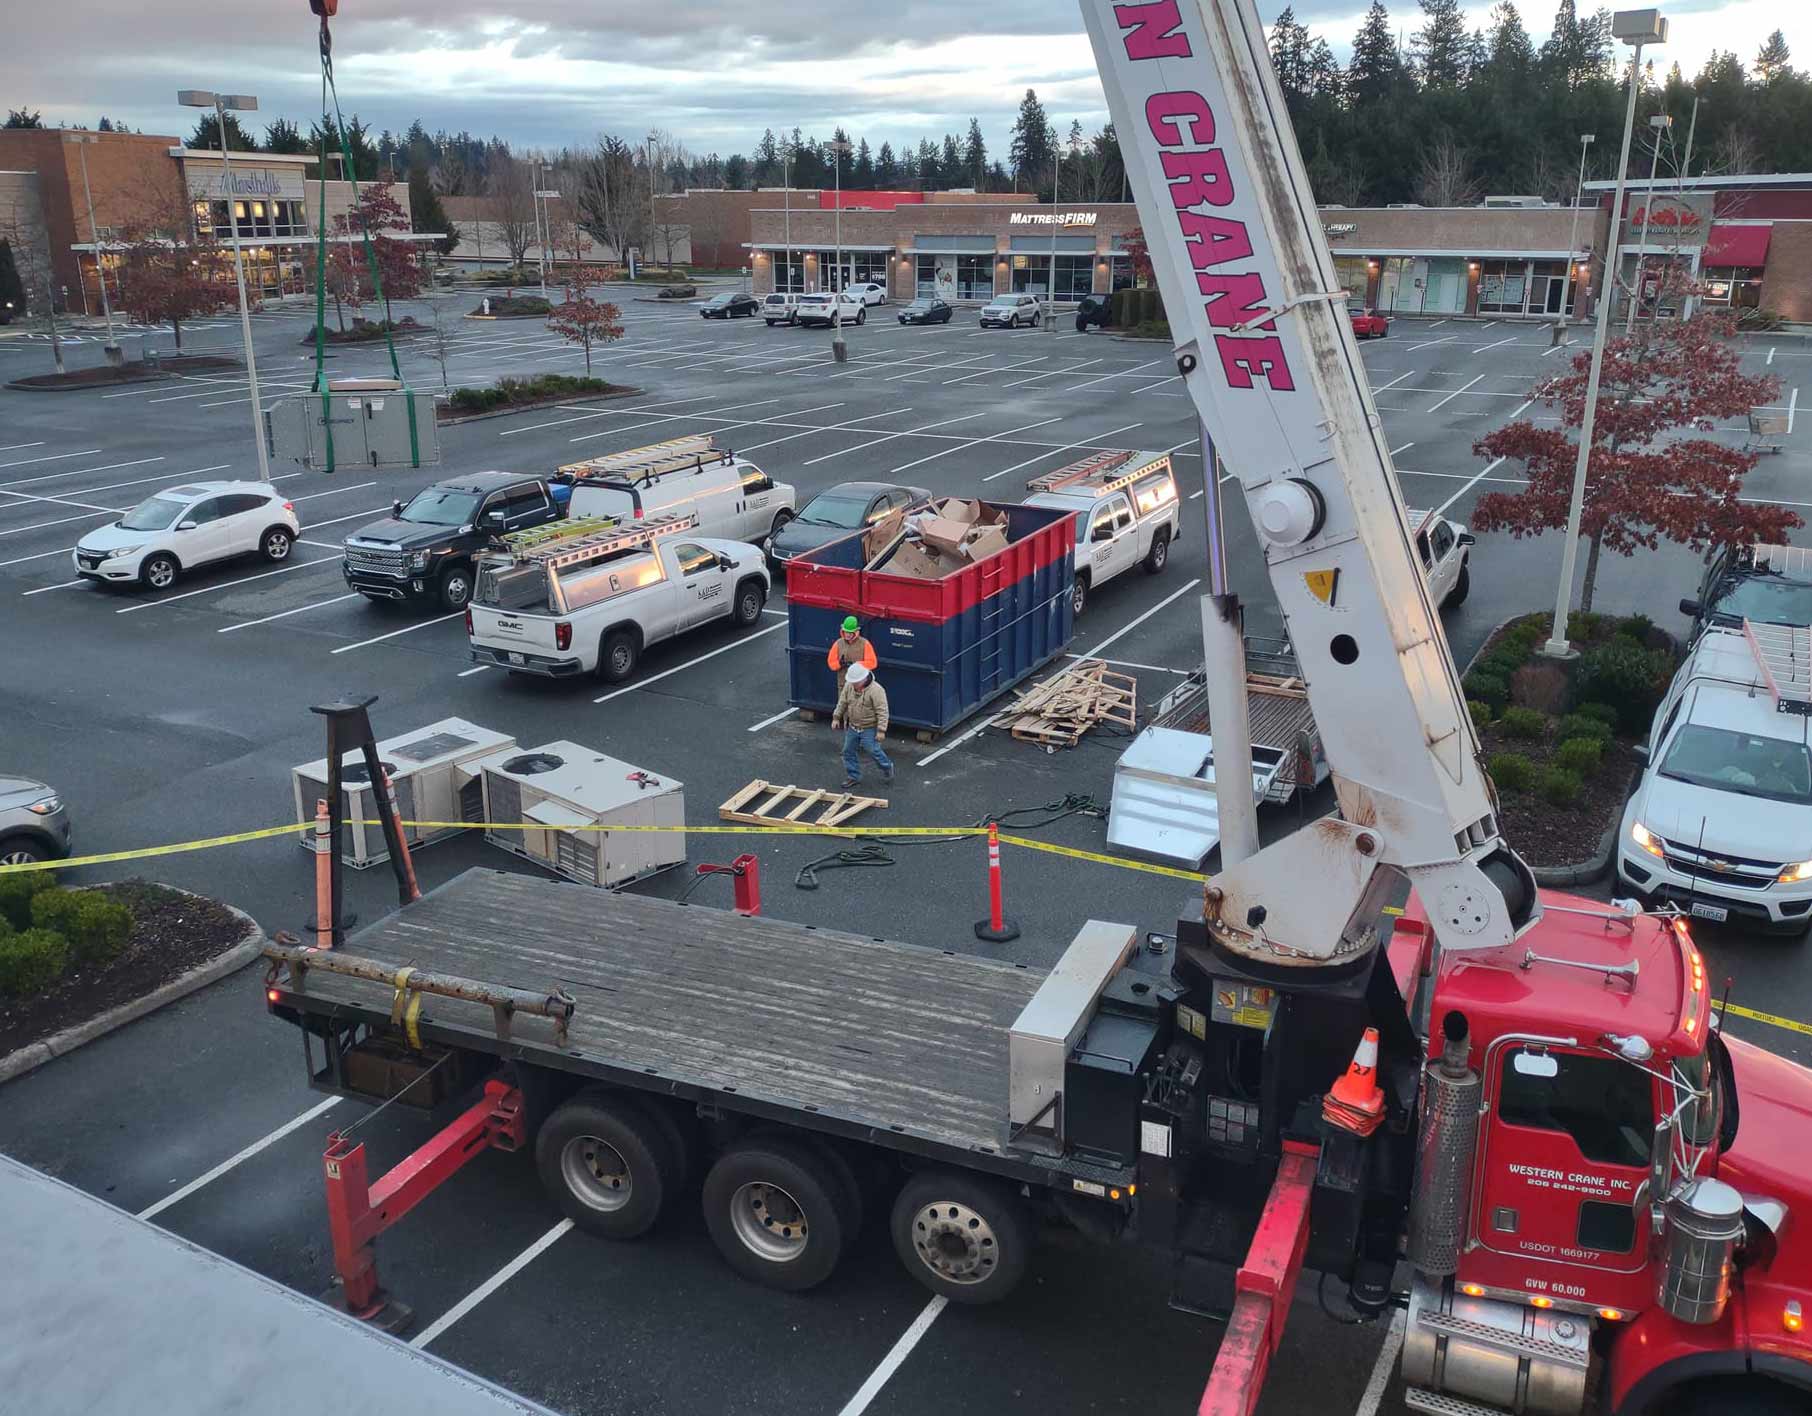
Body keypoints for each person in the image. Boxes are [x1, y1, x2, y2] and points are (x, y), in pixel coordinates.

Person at [831, 663, 893, 788]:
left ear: (864, 679)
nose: (853, 684)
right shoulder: (849, 686)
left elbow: (882, 711)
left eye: (856, 682)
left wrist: (881, 730)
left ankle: (887, 766)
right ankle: (853, 776)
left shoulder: (877, 691)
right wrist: (836, 717)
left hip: (869, 727)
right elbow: (842, 702)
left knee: (873, 750)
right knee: (847, 751)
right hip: (853, 726)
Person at [826, 615, 877, 690]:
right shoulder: (838, 643)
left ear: (856, 632)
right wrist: (840, 664)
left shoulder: (865, 644)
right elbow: (831, 663)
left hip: (861, 686)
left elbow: (873, 663)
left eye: (850, 632)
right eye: (846, 632)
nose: (847, 635)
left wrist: (857, 665)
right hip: (843, 685)